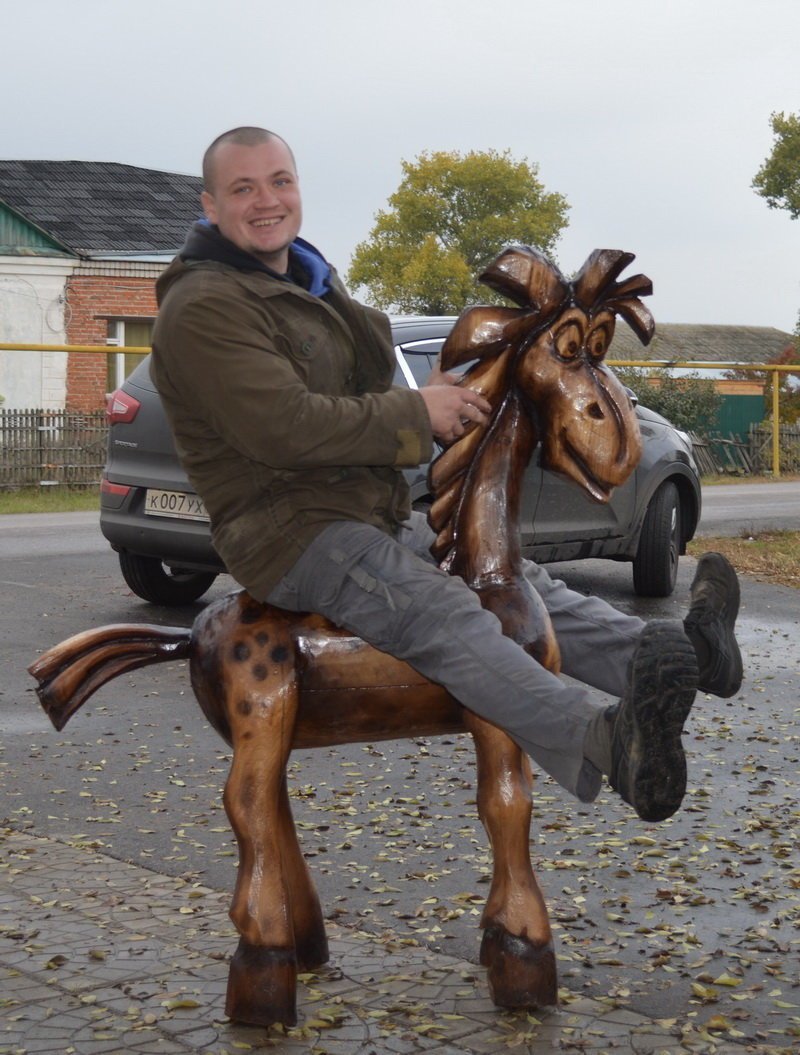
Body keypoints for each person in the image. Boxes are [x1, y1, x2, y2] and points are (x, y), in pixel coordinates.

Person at [151, 126, 742, 823]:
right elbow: (282, 425)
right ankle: (604, 742)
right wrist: (414, 413)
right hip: (293, 530)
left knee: (513, 580)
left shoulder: (306, 281)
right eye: (243, 188)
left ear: (298, 188)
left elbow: (356, 387)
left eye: (279, 180)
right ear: (211, 205)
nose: (266, 200)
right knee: (441, 612)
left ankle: (685, 658)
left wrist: (436, 391)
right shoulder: (206, 306)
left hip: (366, 505)